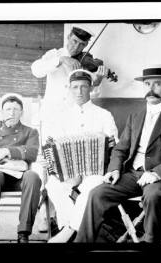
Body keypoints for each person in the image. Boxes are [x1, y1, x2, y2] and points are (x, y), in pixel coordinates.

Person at [74, 65, 161, 243]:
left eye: (157, 84)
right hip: (132, 175)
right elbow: (120, 149)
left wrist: (156, 174)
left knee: (153, 196)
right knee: (96, 194)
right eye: (147, 84)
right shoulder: (135, 117)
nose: (151, 89)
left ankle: (149, 243)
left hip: (160, 178)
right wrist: (114, 170)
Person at [31, 25, 112, 231]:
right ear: (69, 37)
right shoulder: (54, 55)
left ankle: (68, 221)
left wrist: (98, 81)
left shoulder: (86, 62)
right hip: (51, 120)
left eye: (82, 44)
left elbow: (90, 94)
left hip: (74, 121)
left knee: (71, 167)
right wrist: (61, 60)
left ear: (86, 45)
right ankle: (45, 215)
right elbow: (36, 70)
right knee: (49, 167)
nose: (76, 46)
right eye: (74, 41)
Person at [43, 69, 118, 243]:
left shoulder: (104, 115)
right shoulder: (61, 117)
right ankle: (70, 228)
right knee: (53, 185)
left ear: (90, 88)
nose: (79, 91)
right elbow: (53, 147)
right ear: (69, 89)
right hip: (70, 172)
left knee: (91, 190)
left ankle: (69, 231)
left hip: (96, 171)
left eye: (83, 87)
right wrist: (54, 163)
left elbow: (116, 145)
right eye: (75, 87)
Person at [0, 93, 42, 244]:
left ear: (22, 112)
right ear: (1, 112)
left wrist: (7, 151)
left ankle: (24, 233)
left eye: (15, 109)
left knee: (33, 177)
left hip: (18, 176)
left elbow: (32, 152)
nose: (11, 113)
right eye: (7, 109)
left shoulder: (30, 132)